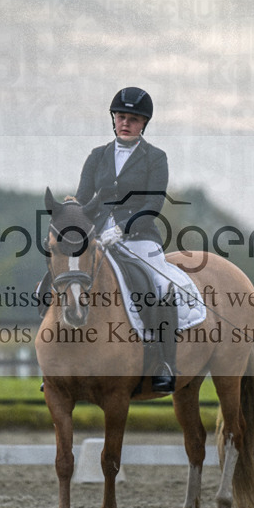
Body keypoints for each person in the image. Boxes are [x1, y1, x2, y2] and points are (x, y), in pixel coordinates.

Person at [73, 87, 177, 393]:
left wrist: (123, 229)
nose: (125, 123)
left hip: (139, 238)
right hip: (97, 238)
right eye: (121, 117)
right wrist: (75, 224)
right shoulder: (97, 156)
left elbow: (154, 204)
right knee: (65, 280)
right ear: (113, 119)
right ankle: (59, 363)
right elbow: (82, 199)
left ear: (143, 123)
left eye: (133, 119)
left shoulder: (155, 158)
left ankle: (165, 363)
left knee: (161, 287)